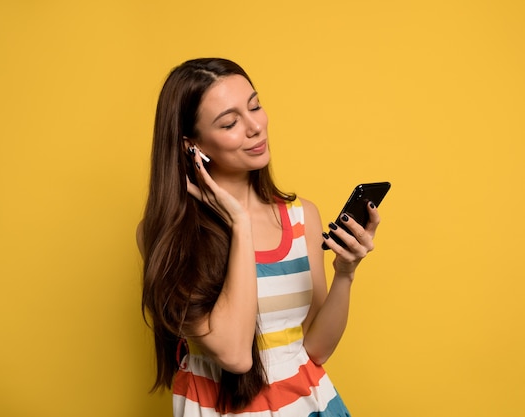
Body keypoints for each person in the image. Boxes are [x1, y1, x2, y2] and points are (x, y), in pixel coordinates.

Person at [136, 58, 381, 416]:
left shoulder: (301, 216)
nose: (256, 127)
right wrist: (240, 222)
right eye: (231, 122)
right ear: (192, 144)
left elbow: (314, 351)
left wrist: (346, 272)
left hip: (307, 404)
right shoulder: (166, 233)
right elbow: (234, 355)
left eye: (255, 106)